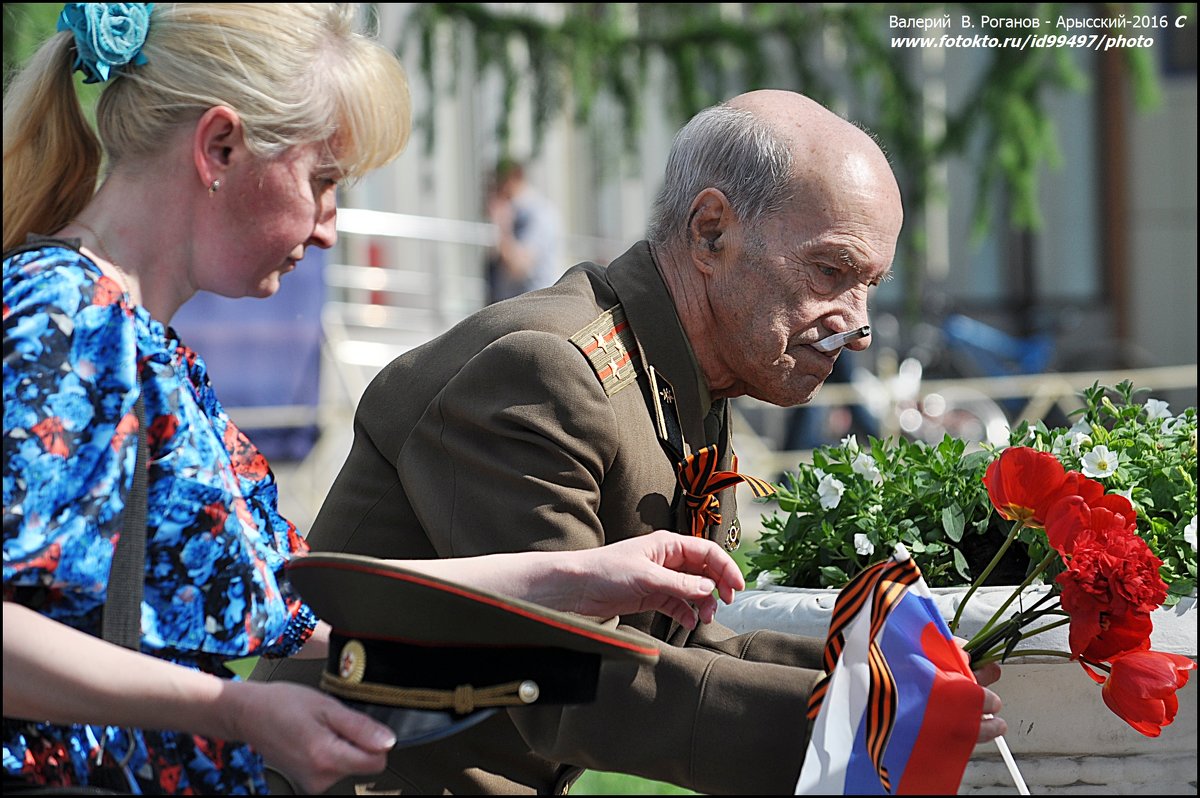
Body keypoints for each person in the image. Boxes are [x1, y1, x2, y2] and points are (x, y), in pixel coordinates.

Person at [2, 4, 748, 795]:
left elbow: (297, 604)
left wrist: (568, 579)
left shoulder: (121, 331)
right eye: (322, 181)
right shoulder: (69, 320)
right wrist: (235, 711)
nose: (330, 227)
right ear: (218, 146)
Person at [254, 88, 1008, 795]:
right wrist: (854, 722)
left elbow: (683, 643)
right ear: (711, 231)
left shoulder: (678, 373)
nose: (858, 321)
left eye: (869, 284)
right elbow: (567, 684)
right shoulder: (546, 372)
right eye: (831, 270)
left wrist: (888, 673)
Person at [483, 157, 562, 303]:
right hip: (514, 306)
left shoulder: (537, 214)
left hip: (531, 307)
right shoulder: (516, 212)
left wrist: (502, 226)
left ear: (512, 180)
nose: (494, 192)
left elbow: (519, 266)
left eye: (498, 184)